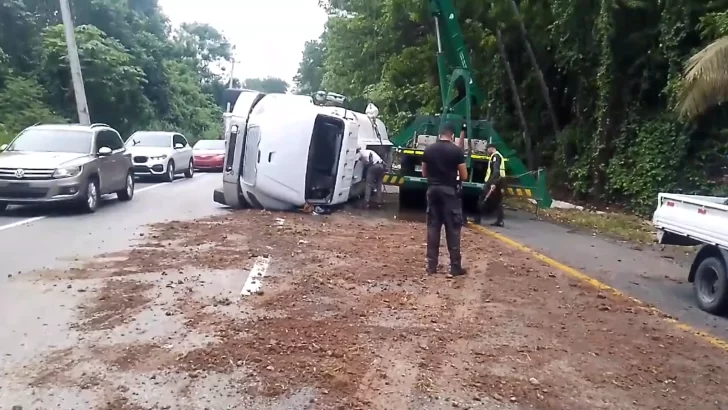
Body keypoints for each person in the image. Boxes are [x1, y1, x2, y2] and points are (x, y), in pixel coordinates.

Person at [421, 122, 469, 277]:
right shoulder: (456, 151)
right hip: (449, 192)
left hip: (433, 191)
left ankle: (431, 266)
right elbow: (464, 176)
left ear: (440, 134)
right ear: (452, 135)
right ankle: (455, 268)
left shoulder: (428, 150)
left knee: (433, 228)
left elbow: (424, 173)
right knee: (453, 229)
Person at [474, 143, 505, 227]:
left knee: (482, 198)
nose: (487, 150)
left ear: (492, 148)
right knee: (497, 201)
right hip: (499, 181)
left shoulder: (495, 156)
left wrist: (492, 183)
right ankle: (500, 220)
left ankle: (477, 218)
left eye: (488, 149)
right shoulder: (498, 156)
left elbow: (496, 171)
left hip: (494, 181)